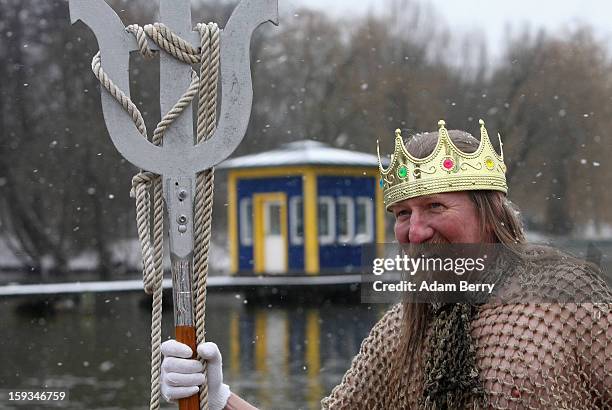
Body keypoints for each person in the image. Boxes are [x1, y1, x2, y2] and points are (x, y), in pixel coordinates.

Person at [160, 120, 612, 409]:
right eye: (402, 214)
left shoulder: (568, 303)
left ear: (490, 213)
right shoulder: (400, 332)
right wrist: (218, 399)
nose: (415, 232)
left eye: (435, 208)